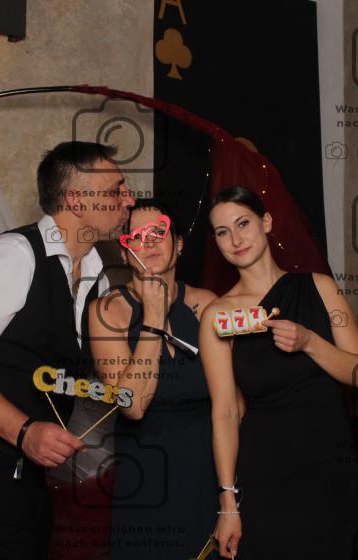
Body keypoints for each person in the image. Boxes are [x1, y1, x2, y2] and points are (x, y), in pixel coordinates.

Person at [0, 141, 136, 559]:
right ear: (76, 200)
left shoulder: (98, 275)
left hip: (25, 473)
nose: (129, 200)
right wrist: (24, 431)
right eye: (115, 190)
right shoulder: (14, 256)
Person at [199, 185, 358, 559]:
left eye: (243, 223)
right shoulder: (219, 315)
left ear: (266, 222)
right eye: (223, 232)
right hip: (266, 471)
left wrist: (310, 342)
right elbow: (225, 412)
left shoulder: (321, 288)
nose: (236, 239)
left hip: (330, 466)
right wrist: (227, 502)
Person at [87, 199, 221, 559]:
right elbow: (132, 405)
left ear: (179, 243)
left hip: (209, 477)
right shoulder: (107, 312)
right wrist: (153, 318)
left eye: (157, 233)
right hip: (146, 486)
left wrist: (231, 493)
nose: (147, 243)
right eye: (136, 237)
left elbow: (234, 405)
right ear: (125, 252)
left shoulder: (207, 305)